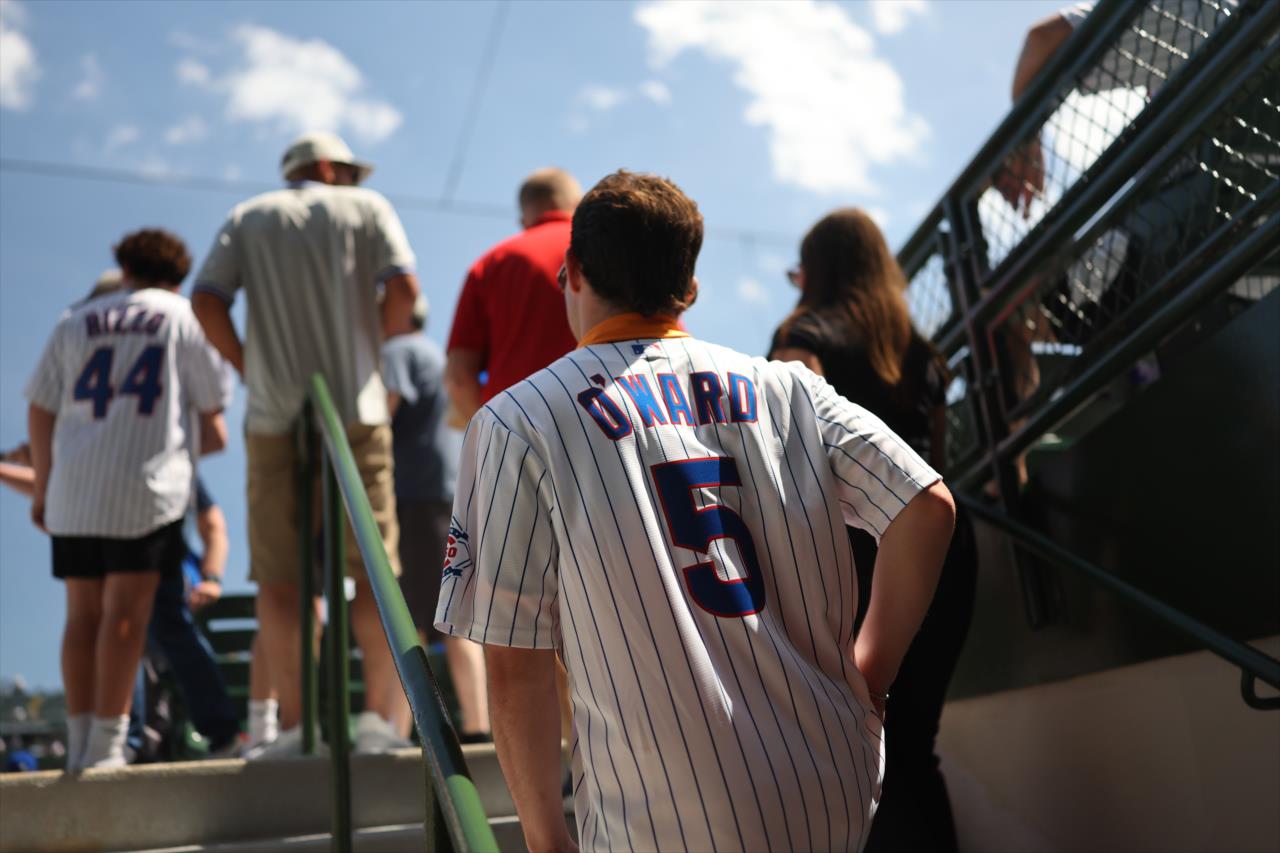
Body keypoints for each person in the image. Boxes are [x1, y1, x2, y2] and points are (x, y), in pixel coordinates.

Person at [436, 170, 957, 853]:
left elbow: (512, 655)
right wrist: (869, 673)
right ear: (690, 291)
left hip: (658, 809)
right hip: (829, 785)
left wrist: (543, 834)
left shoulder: (515, 418)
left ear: (572, 273)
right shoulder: (788, 387)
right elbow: (927, 505)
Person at [191, 130, 420, 756]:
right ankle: (380, 725)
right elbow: (404, 294)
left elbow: (207, 300)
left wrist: (249, 366)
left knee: (281, 580)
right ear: (326, 166)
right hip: (356, 411)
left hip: (272, 415)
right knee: (376, 573)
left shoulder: (249, 215)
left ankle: (296, 730)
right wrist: (373, 347)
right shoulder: (368, 210)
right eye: (347, 170)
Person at [770, 208, 979, 852]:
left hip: (859, 546)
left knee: (855, 746)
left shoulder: (802, 332)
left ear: (817, 267)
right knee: (916, 747)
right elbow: (934, 463)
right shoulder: (924, 353)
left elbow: (789, 450)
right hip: (945, 542)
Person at [25, 228, 231, 770]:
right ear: (178, 272)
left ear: (126, 266)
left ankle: (78, 742)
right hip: (147, 489)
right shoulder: (181, 317)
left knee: (80, 617)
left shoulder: (74, 320)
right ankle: (108, 746)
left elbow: (41, 406)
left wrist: (44, 482)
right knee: (125, 620)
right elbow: (214, 416)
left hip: (75, 488)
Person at [380, 295, 488, 741]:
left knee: (422, 621)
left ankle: (420, 727)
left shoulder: (397, 352)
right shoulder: (436, 357)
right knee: (449, 613)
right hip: (446, 493)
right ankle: (466, 724)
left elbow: (379, 417)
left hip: (416, 496)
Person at [445, 167, 581, 420]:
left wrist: (495, 433)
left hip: (520, 430)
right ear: (578, 204)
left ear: (523, 219)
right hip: (611, 426)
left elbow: (458, 379)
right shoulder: (605, 247)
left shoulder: (489, 265)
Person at [127, 476, 242, 761]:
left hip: (164, 578)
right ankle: (219, 736)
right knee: (140, 637)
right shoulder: (173, 457)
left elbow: (213, 524)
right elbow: (213, 524)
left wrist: (211, 577)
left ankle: (131, 739)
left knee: (135, 632)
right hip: (159, 576)